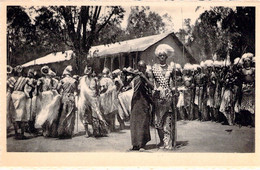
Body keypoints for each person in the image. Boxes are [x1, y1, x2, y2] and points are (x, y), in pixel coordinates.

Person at [151, 44, 176, 149]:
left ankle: (167, 142)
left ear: (166, 57)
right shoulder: (154, 68)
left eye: (163, 56)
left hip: (168, 96)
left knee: (168, 119)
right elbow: (153, 82)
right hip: (158, 97)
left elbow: (173, 82)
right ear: (158, 57)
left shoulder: (171, 68)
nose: (162, 57)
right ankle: (162, 140)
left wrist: (174, 91)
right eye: (160, 55)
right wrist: (154, 91)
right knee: (158, 121)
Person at [129, 60, 154, 151]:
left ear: (145, 68)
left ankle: (142, 144)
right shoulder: (135, 76)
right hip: (135, 101)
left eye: (142, 67)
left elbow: (152, 86)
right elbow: (127, 85)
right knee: (134, 122)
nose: (140, 69)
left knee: (143, 122)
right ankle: (135, 144)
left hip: (144, 101)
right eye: (139, 67)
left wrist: (144, 78)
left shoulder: (148, 75)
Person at [11, 66, 33, 139]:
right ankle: (22, 133)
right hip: (21, 95)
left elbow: (9, 87)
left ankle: (16, 133)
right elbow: (32, 85)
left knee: (14, 114)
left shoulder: (12, 79)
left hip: (14, 95)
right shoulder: (25, 79)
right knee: (22, 115)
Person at [57, 65, 78, 138]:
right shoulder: (74, 81)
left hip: (64, 97)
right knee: (70, 114)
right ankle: (69, 131)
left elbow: (58, 88)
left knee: (63, 114)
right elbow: (76, 91)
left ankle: (62, 131)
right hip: (71, 97)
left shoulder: (62, 80)